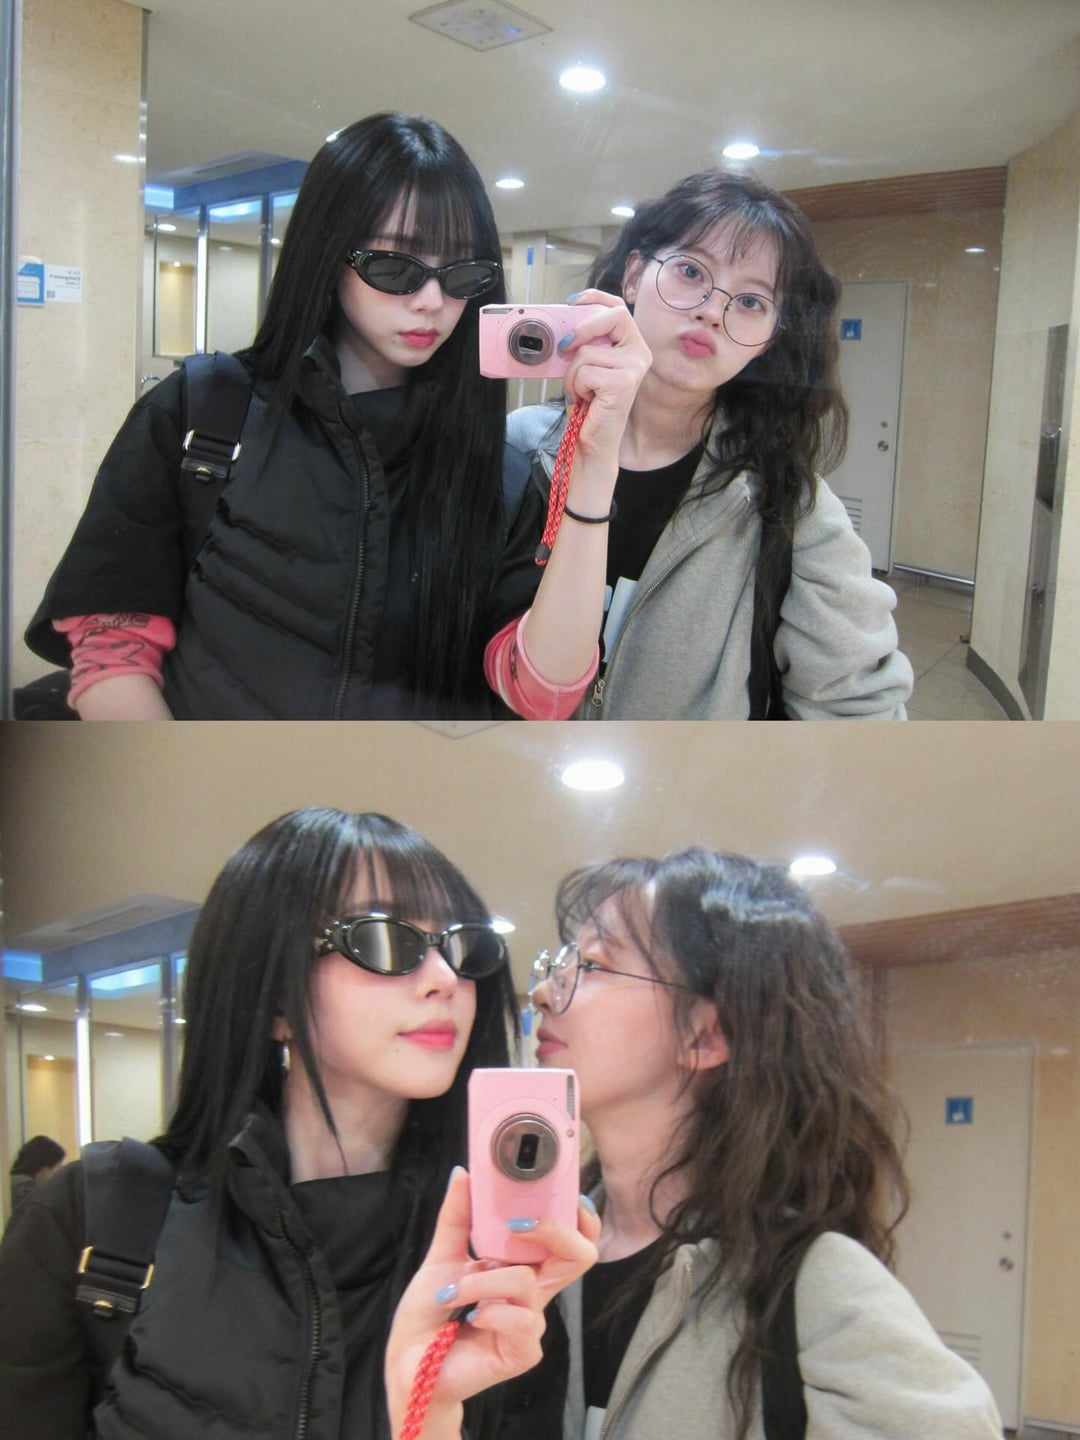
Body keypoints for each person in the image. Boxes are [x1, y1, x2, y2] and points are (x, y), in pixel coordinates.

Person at [23, 113, 647, 721]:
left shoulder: (497, 472)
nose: (432, 300)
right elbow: (112, 649)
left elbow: (543, 695)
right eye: (395, 265)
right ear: (327, 252)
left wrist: (594, 469)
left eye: (461, 272)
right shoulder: (200, 412)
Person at [0, 808, 598, 1439]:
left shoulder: (496, 1261)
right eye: (383, 939)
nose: (446, 979)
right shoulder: (99, 1213)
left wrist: (431, 1414)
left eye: (462, 947)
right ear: (274, 998)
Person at [519, 846, 1002, 1439]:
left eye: (592, 965)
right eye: (560, 963)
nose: (544, 993)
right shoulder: (540, 1245)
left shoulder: (810, 1278)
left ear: (705, 1035)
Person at [506, 169, 915, 719]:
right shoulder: (518, 449)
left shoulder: (793, 510)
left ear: (768, 340)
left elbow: (859, 715)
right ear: (634, 277)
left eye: (751, 302)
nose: (711, 312)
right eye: (691, 271)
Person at [8, 1136, 65, 1222]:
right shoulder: (27, 1195)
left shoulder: (10, 1185)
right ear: (44, 1170)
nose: (59, 1175)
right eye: (58, 1168)